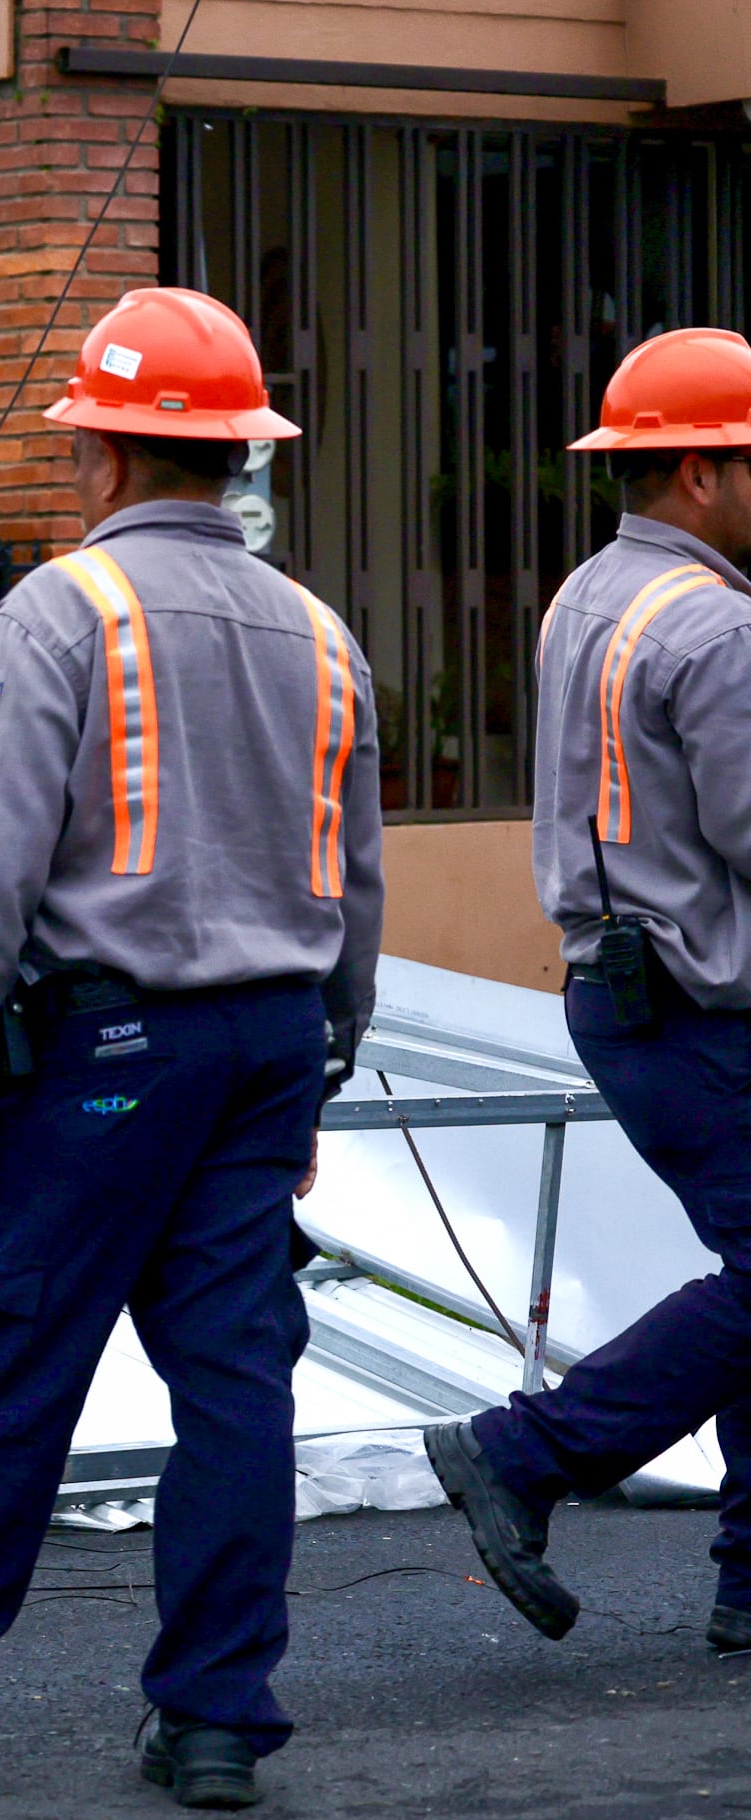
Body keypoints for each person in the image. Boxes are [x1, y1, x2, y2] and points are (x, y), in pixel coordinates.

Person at [0, 288, 384, 1809]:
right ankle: (219, 1718)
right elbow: (353, 874)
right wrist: (323, 1061)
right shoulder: (320, 632)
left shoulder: (62, 615)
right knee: (236, 1379)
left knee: (9, 1363)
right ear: (237, 453)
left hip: (106, 1050)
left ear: (103, 453)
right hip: (264, 1045)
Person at [428, 328, 751, 1656]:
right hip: (699, 1000)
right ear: (700, 476)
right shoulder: (719, 624)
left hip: (625, 992)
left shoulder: (587, 596)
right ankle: (529, 1451)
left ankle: (748, 1578)